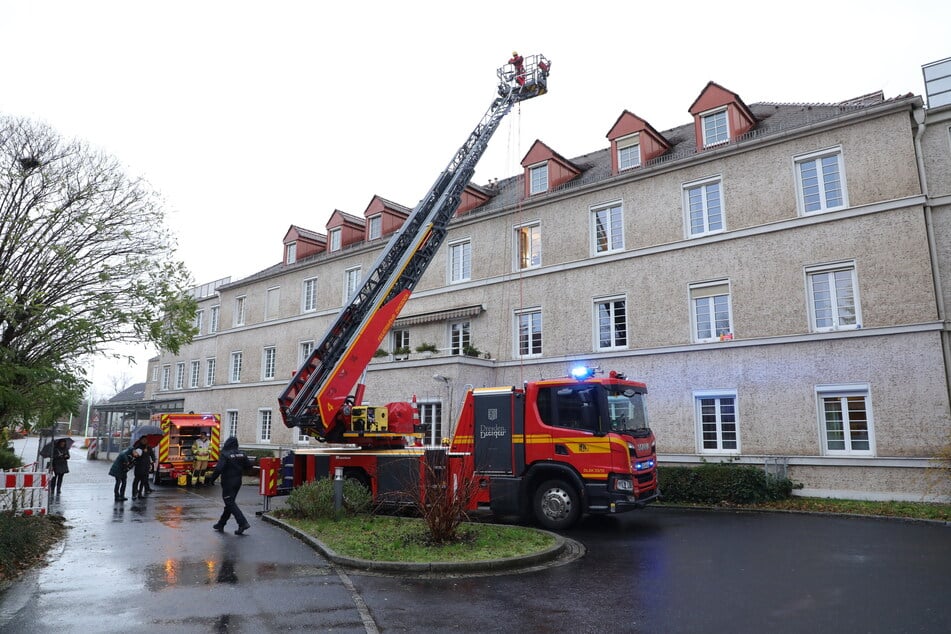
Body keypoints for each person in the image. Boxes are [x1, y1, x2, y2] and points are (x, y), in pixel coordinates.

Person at [207, 436, 252, 535]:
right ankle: (221, 523)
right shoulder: (242, 454)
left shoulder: (225, 454)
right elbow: (249, 466)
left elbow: (219, 468)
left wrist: (211, 480)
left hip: (228, 482)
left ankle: (242, 523)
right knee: (229, 503)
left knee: (230, 502)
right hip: (238, 482)